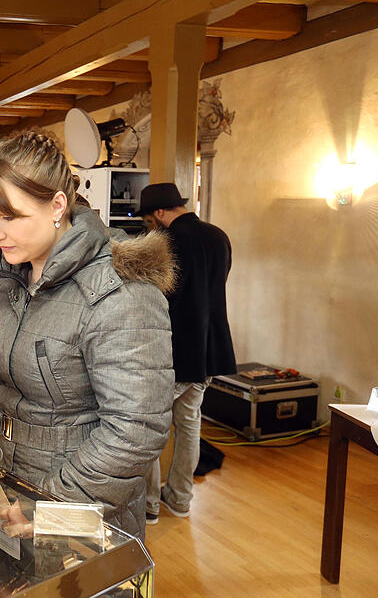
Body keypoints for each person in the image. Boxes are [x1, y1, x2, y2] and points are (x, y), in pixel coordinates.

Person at [0, 131, 174, 539]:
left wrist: (49, 506)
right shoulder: (6, 271)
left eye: (10, 217)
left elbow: (135, 430)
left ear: (57, 205)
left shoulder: (120, 291)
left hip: (78, 509)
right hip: (7, 490)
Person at [138, 182, 236, 522]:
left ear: (160, 212)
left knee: (152, 429)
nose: (152, 225)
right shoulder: (218, 236)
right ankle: (180, 499)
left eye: (151, 219)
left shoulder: (167, 241)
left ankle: (149, 504)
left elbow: (158, 298)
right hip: (207, 351)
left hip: (173, 351)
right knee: (189, 425)